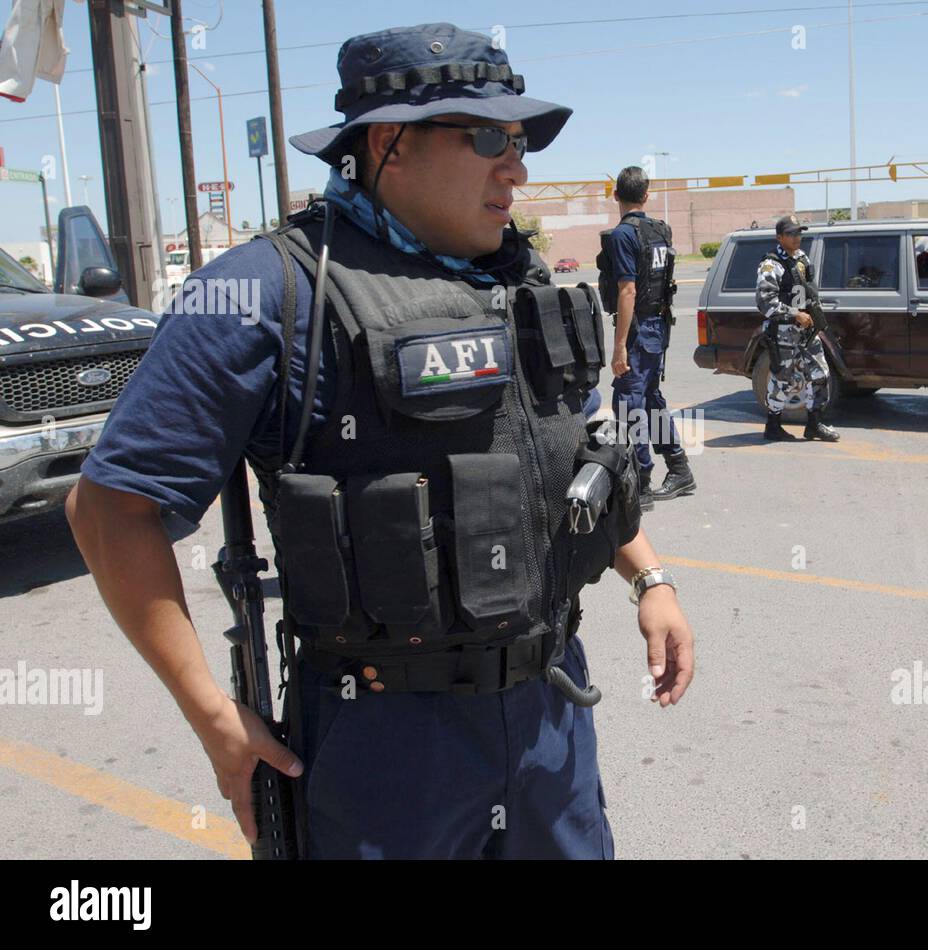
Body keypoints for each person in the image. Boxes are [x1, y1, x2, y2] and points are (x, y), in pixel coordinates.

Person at [64, 22, 695, 860]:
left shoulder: (519, 278)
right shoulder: (270, 291)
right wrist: (213, 716)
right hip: (386, 751)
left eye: (519, 140)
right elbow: (110, 509)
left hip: (549, 719)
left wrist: (649, 577)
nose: (516, 165)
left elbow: (569, 455)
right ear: (388, 144)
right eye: (485, 137)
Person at [604, 166, 696, 508]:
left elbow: (627, 291)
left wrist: (618, 348)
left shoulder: (622, 236)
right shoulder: (660, 230)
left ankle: (640, 483)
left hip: (640, 329)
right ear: (645, 195)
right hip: (658, 326)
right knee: (650, 399)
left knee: (629, 404)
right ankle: (679, 467)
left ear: (616, 195)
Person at [755, 215, 840, 442]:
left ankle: (814, 424)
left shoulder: (802, 258)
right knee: (785, 380)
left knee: (821, 374)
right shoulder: (771, 265)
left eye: (799, 233)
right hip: (783, 332)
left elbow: (808, 290)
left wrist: (814, 315)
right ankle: (773, 424)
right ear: (779, 237)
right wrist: (795, 315)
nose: (796, 238)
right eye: (791, 234)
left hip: (807, 331)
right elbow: (765, 303)